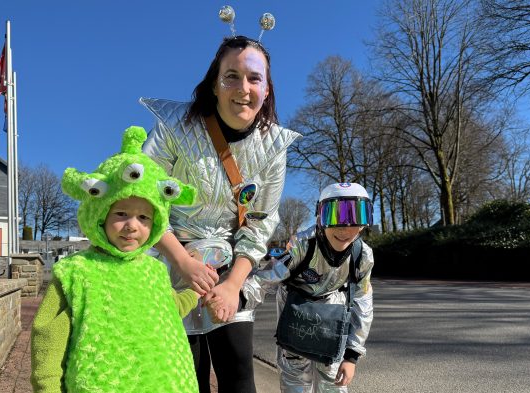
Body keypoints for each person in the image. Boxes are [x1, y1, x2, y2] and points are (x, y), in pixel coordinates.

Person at [140, 35, 300, 393]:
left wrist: (233, 285)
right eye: (232, 76)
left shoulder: (273, 146)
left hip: (230, 270)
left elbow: (260, 222)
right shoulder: (174, 127)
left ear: (267, 89)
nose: (243, 88)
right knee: (183, 380)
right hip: (169, 265)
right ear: (214, 84)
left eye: (254, 78)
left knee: (239, 378)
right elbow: (145, 202)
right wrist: (181, 260)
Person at [30, 126, 201, 393]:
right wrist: (47, 387)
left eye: (144, 217)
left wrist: (194, 291)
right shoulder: (75, 272)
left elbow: (171, 307)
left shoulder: (154, 270)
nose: (133, 226)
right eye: (121, 213)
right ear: (99, 214)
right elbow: (49, 337)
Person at [242, 182, 375, 392]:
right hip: (296, 315)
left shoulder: (362, 255)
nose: (345, 228)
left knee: (333, 382)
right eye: (334, 216)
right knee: (295, 379)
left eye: (357, 217)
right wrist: (237, 298)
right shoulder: (303, 245)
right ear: (320, 218)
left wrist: (352, 355)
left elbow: (363, 303)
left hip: (333, 317)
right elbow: (267, 277)